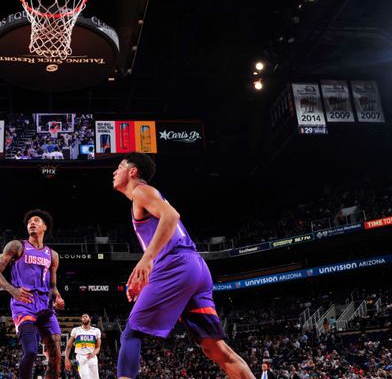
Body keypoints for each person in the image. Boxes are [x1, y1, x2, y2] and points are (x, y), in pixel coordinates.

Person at [112, 153, 254, 379]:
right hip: (195, 267)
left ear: (132, 172)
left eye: (119, 167)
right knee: (215, 349)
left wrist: (147, 260)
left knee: (131, 333)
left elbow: (171, 215)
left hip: (176, 265)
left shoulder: (141, 191)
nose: (114, 172)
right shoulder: (149, 196)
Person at [0, 209, 65, 379]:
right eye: (30, 221)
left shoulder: (52, 255)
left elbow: (53, 286)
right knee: (31, 351)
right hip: (24, 304)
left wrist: (58, 298)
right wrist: (13, 290)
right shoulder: (17, 246)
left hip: (45, 306)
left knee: (56, 356)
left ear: (45, 227)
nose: (32, 223)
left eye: (36, 220)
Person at [65, 313, 101, 379]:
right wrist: (66, 359)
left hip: (92, 357)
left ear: (90, 319)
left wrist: (93, 353)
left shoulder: (96, 331)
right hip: (80, 357)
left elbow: (98, 347)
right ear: (81, 319)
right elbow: (68, 346)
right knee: (85, 377)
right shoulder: (76, 330)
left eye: (86, 317)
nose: (84, 318)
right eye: (83, 317)